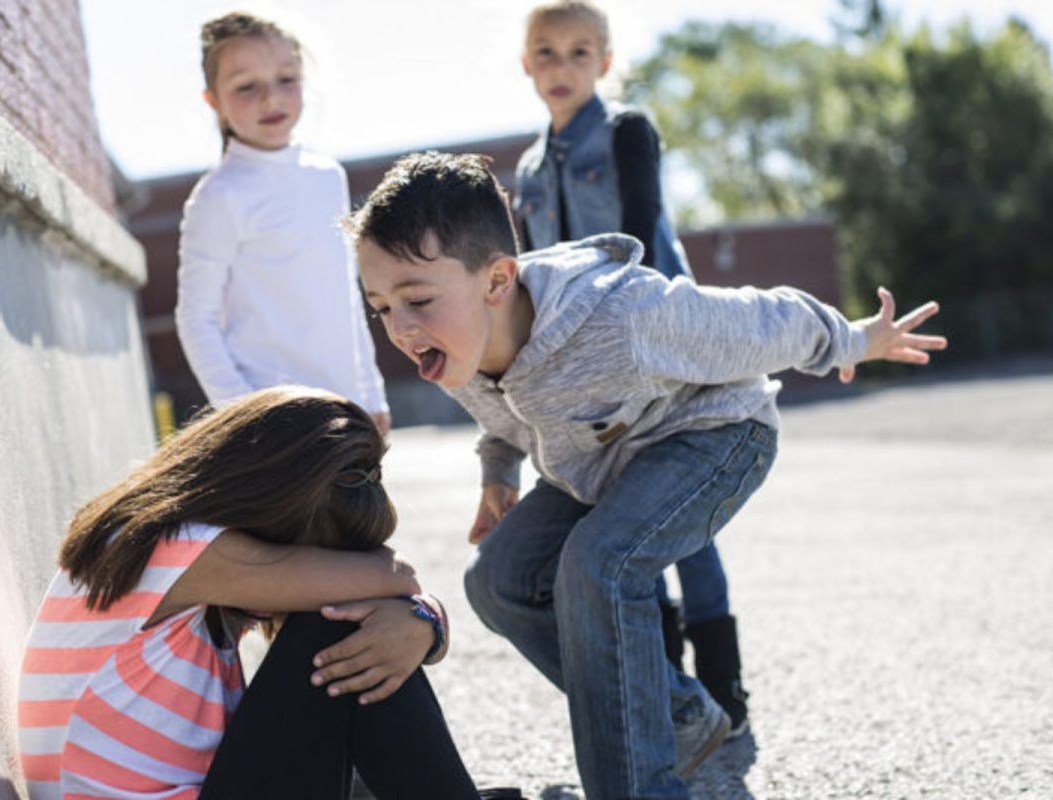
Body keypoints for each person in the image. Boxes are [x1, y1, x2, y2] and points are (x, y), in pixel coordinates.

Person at [348, 152, 946, 799]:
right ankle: (678, 717)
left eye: (416, 300)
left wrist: (856, 341)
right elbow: (504, 416)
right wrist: (498, 475)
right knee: (497, 579)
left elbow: (762, 320)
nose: (400, 329)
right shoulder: (458, 342)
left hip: (714, 435)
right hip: (602, 463)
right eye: (380, 307)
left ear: (497, 281)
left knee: (598, 565)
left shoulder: (621, 317)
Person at [16, 386, 504, 800]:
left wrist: (423, 623)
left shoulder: (164, 547)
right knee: (338, 624)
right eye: (316, 558)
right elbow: (397, 578)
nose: (314, 579)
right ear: (269, 506)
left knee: (360, 636)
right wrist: (419, 616)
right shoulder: (177, 547)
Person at [510, 0, 749, 733]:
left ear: (606, 63)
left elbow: (642, 232)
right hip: (581, 370)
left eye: (581, 53)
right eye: (546, 53)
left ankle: (724, 690)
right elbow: (529, 274)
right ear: (527, 64)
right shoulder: (526, 167)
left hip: (657, 350)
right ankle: (674, 697)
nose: (562, 67)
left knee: (685, 526)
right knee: (622, 521)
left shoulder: (626, 131)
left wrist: (644, 332)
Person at [175, 13, 389, 435]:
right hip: (274, 423)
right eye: (245, 87)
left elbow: (346, 297)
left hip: (347, 410)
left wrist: (372, 394)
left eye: (286, 79)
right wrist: (244, 413)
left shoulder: (328, 176)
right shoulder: (219, 196)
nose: (270, 98)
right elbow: (195, 318)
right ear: (213, 101)